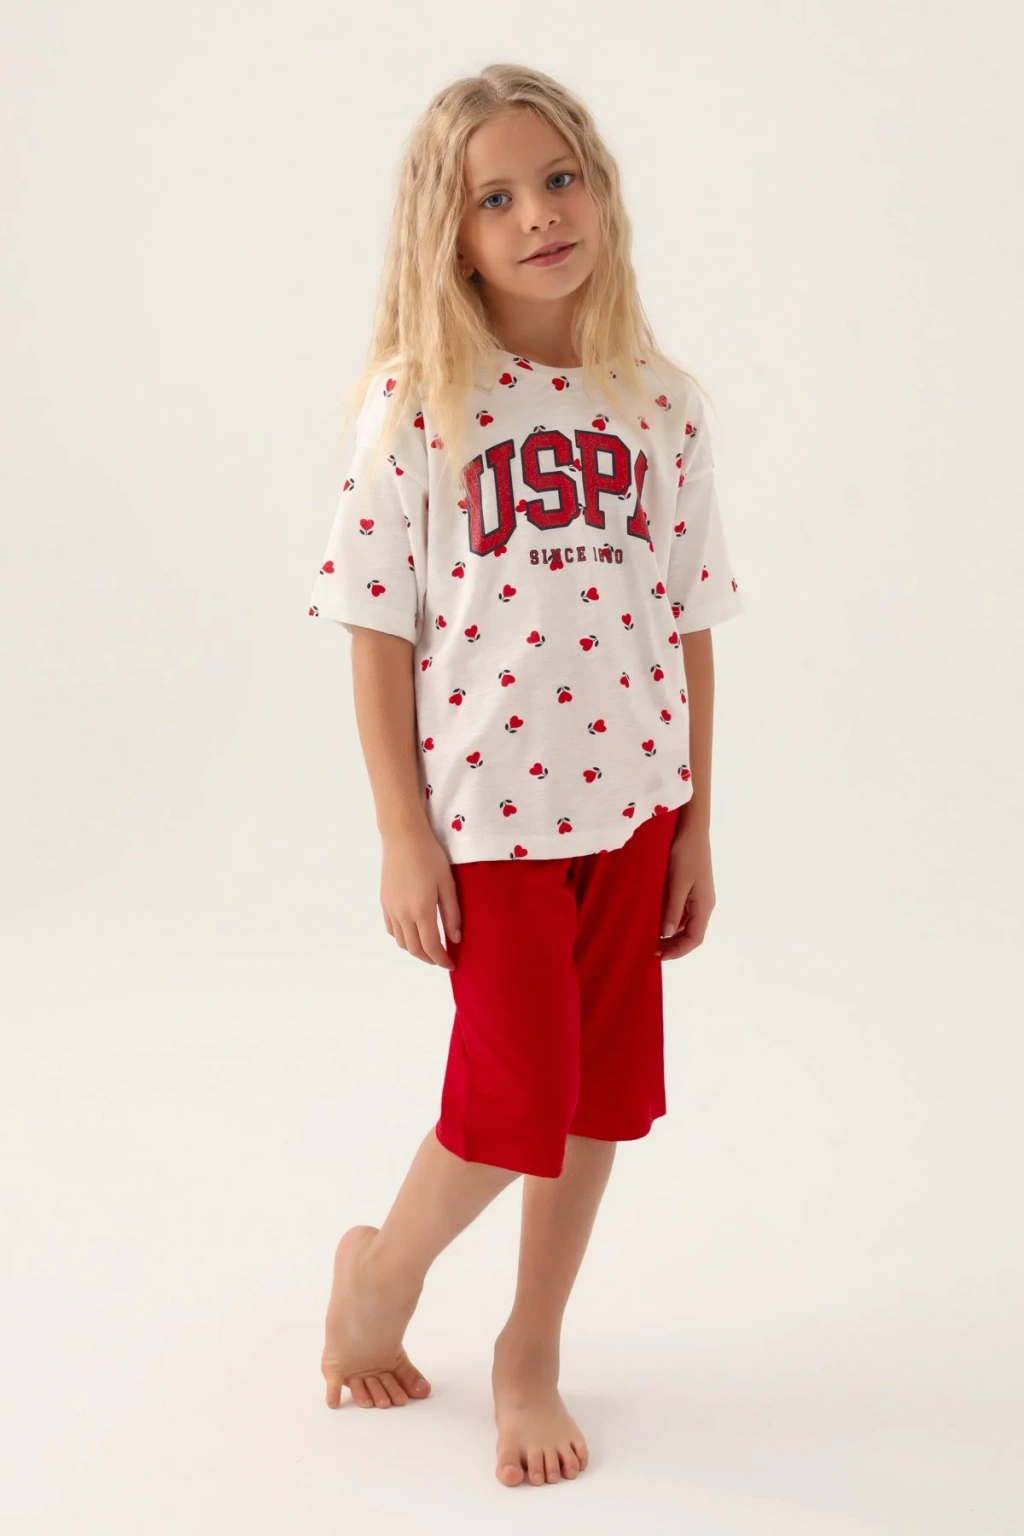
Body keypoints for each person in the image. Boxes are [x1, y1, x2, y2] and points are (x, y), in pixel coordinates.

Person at [306, 63, 745, 1488]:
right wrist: (401, 832)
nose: (539, 215)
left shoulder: (661, 406)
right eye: (495, 198)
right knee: (516, 1098)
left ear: (600, 193)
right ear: (451, 233)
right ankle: (379, 1279)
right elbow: (375, 625)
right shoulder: (419, 402)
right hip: (488, 824)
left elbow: (688, 621)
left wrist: (696, 827)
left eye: (559, 180)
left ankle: (530, 1353)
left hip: (636, 810)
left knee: (596, 1097)